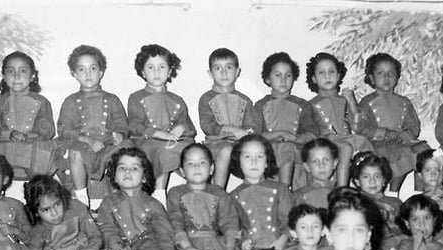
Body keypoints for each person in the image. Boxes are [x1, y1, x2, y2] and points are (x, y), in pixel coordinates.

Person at [167, 143, 246, 250]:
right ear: (182, 171)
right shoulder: (176, 193)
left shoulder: (219, 193)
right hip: (186, 247)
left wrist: (230, 247)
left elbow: (230, 222)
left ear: (211, 169)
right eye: (190, 163)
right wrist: (187, 246)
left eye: (202, 162)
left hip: (216, 243)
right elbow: (175, 223)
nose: (197, 167)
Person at [95, 147, 177, 250]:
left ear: (144, 177)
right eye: (122, 168)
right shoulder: (108, 202)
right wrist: (118, 246)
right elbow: (107, 229)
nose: (127, 172)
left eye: (134, 168)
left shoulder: (153, 204)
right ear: (114, 176)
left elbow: (166, 238)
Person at [56, 44, 128, 207]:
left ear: (101, 72)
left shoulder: (112, 99)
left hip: (107, 144)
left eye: (93, 68)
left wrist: (119, 134)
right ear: (74, 73)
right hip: (82, 144)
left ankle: (120, 199)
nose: (88, 74)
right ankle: (81, 197)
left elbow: (120, 122)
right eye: (82, 69)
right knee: (74, 152)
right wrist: (88, 141)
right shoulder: (71, 101)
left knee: (124, 153)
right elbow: (64, 129)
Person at [128, 44, 196, 204]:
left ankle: (193, 192)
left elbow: (188, 126)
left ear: (170, 71)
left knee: (193, 152)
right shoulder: (136, 98)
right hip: (148, 141)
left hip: (173, 140)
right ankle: (159, 194)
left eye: (162, 67)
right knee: (162, 151)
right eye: (151, 67)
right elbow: (134, 126)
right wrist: (159, 134)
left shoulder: (177, 100)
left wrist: (181, 128)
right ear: (143, 72)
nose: (157, 72)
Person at [230, 134, 294, 250]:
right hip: (252, 249)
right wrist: (242, 241)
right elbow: (232, 227)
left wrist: (282, 239)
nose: (253, 162)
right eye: (247, 157)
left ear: (267, 162)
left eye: (259, 157)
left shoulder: (280, 189)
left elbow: (289, 220)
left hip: (279, 245)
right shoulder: (233, 196)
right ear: (239, 162)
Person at [358, 53, 427, 194]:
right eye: (381, 73)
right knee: (398, 156)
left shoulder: (404, 102)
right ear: (371, 78)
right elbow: (362, 127)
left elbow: (413, 124)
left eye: (391, 73)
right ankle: (392, 193)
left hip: (402, 141)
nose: (386, 77)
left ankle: (418, 193)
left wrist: (407, 134)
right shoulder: (367, 102)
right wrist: (384, 133)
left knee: (424, 152)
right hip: (379, 143)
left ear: (397, 77)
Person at [198, 47, 262, 188]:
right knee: (226, 149)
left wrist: (246, 133)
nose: (224, 72)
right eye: (218, 68)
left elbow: (254, 126)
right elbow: (208, 126)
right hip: (215, 145)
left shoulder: (245, 100)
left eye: (229, 67)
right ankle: (218, 190)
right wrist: (232, 130)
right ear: (210, 73)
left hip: (240, 145)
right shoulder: (206, 99)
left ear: (237, 71)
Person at [305, 52, 372, 186]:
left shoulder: (344, 100)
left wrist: (352, 102)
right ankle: (342, 188)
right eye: (321, 73)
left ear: (338, 75)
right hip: (327, 140)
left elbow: (357, 126)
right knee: (346, 148)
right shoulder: (310, 104)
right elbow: (310, 129)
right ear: (313, 78)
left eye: (332, 71)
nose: (327, 76)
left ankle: (367, 188)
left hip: (348, 137)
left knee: (366, 145)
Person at [0, 51, 57, 179]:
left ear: (32, 76)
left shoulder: (41, 102)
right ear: (3, 76)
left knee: (42, 149)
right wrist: (9, 135)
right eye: (10, 71)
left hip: (30, 145)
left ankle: (37, 190)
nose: (16, 76)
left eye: (23, 71)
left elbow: (47, 128)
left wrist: (28, 136)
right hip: (5, 147)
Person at [254, 52, 318, 186]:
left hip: (296, 157)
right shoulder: (260, 106)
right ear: (267, 79)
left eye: (288, 75)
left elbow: (313, 133)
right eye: (278, 75)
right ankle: (283, 191)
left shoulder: (303, 105)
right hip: (270, 158)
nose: (283, 80)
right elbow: (255, 136)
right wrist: (279, 134)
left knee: (289, 149)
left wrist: (297, 138)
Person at [351, 151, 401, 250]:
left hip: (392, 249)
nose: (372, 181)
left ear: (384, 180)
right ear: (357, 181)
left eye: (377, 176)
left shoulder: (395, 203)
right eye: (366, 177)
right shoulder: (354, 203)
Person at [293, 138, 339, 209]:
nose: (321, 165)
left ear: (334, 163)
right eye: (315, 161)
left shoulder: (340, 195)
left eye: (326, 160)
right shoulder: (299, 196)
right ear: (307, 166)